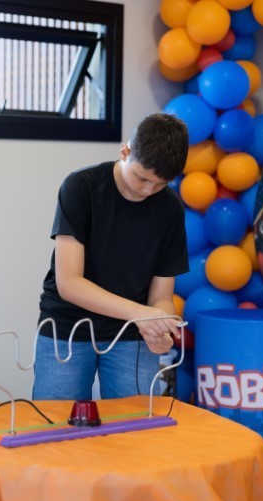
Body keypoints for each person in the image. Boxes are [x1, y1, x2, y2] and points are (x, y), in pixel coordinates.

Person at [32, 113, 189, 401]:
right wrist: (141, 314)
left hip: (131, 333)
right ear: (125, 152)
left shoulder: (170, 209)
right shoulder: (80, 187)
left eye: (160, 184)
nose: (148, 190)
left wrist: (160, 326)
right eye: (142, 178)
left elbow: (161, 295)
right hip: (68, 327)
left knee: (135, 424)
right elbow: (70, 284)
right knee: (57, 423)